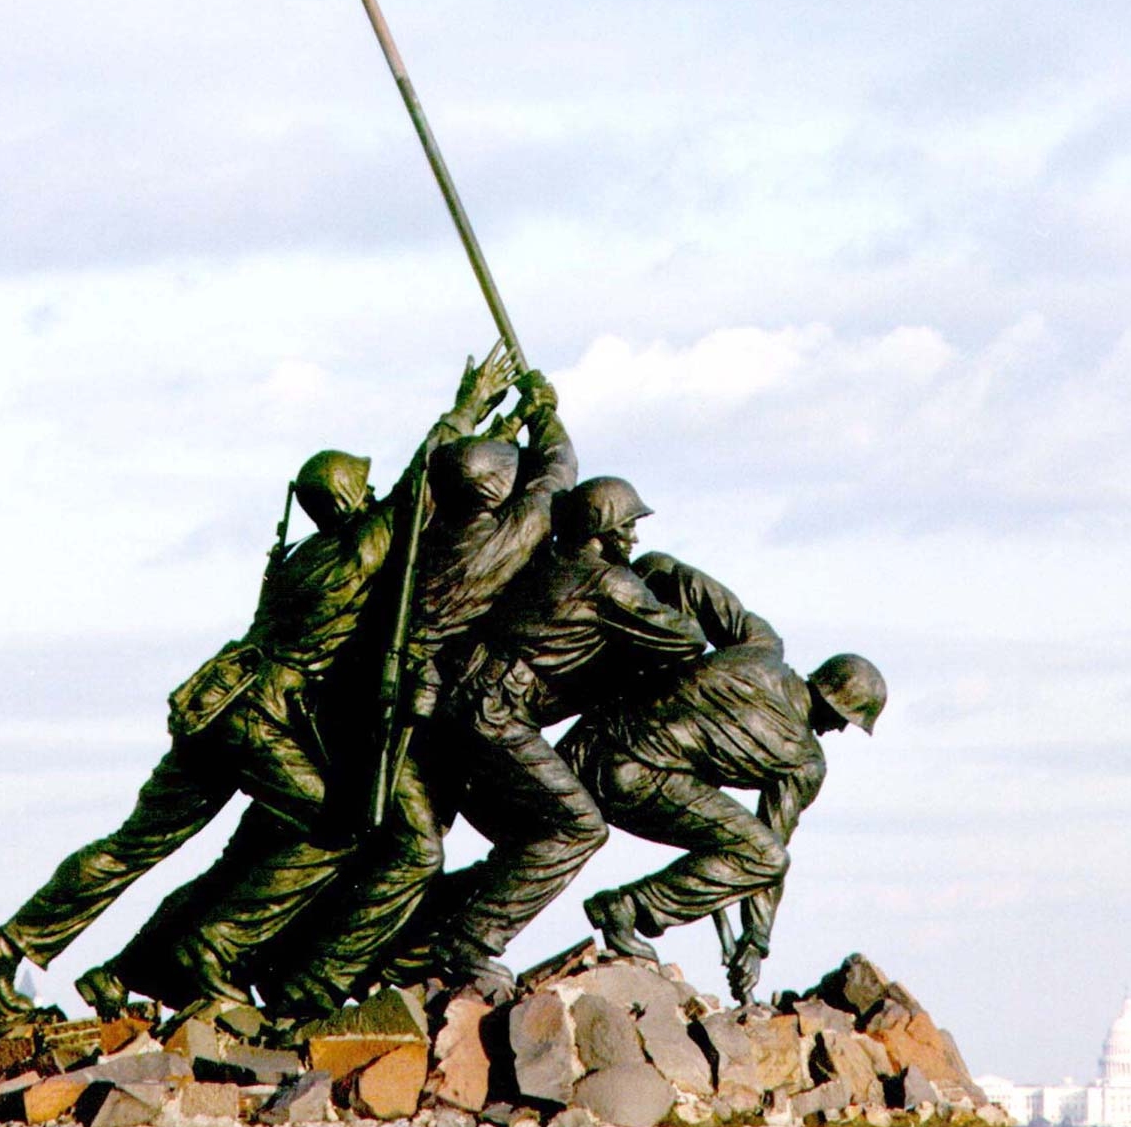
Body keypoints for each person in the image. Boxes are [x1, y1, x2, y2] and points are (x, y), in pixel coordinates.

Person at [0, 349, 513, 1016]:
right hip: (258, 715)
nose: (371, 498)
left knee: (133, 845)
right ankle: (208, 951)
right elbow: (418, 485)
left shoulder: (294, 562)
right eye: (361, 492)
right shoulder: (356, 549)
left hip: (211, 703)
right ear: (348, 501)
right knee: (340, 827)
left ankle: (14, 942)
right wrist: (469, 407)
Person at [259, 373, 578, 1018]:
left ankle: (379, 960)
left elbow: (434, 476)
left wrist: (494, 423)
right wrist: (543, 412)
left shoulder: (419, 529)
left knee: (418, 843)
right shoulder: (503, 535)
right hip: (406, 710)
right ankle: (312, 984)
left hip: (390, 704)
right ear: (494, 491)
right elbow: (559, 473)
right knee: (420, 849)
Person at [382, 476, 711, 996]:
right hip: (494, 714)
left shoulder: (546, 563)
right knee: (578, 828)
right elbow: (685, 639)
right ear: (603, 530)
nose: (634, 539)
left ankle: (409, 938)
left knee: (528, 840)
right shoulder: (610, 583)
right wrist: (672, 588)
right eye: (627, 527)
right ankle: (471, 941)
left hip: (462, 704)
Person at [566, 554, 885, 1003]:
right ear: (839, 711)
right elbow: (767, 856)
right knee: (764, 855)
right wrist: (755, 941)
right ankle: (627, 908)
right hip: (632, 778)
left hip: (585, 744)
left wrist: (630, 578)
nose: (840, 730)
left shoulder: (760, 644)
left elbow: (672, 573)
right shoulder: (805, 762)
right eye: (848, 721)